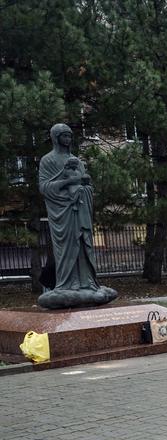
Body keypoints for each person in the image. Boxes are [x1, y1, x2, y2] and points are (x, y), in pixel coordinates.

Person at [37, 123, 117, 308]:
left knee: (83, 245)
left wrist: (85, 186)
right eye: (64, 136)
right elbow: (45, 188)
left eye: (70, 136)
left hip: (79, 212)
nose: (68, 139)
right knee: (67, 248)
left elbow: (87, 187)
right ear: (55, 137)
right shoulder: (47, 161)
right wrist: (67, 179)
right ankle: (66, 285)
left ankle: (87, 283)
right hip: (63, 215)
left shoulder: (77, 161)